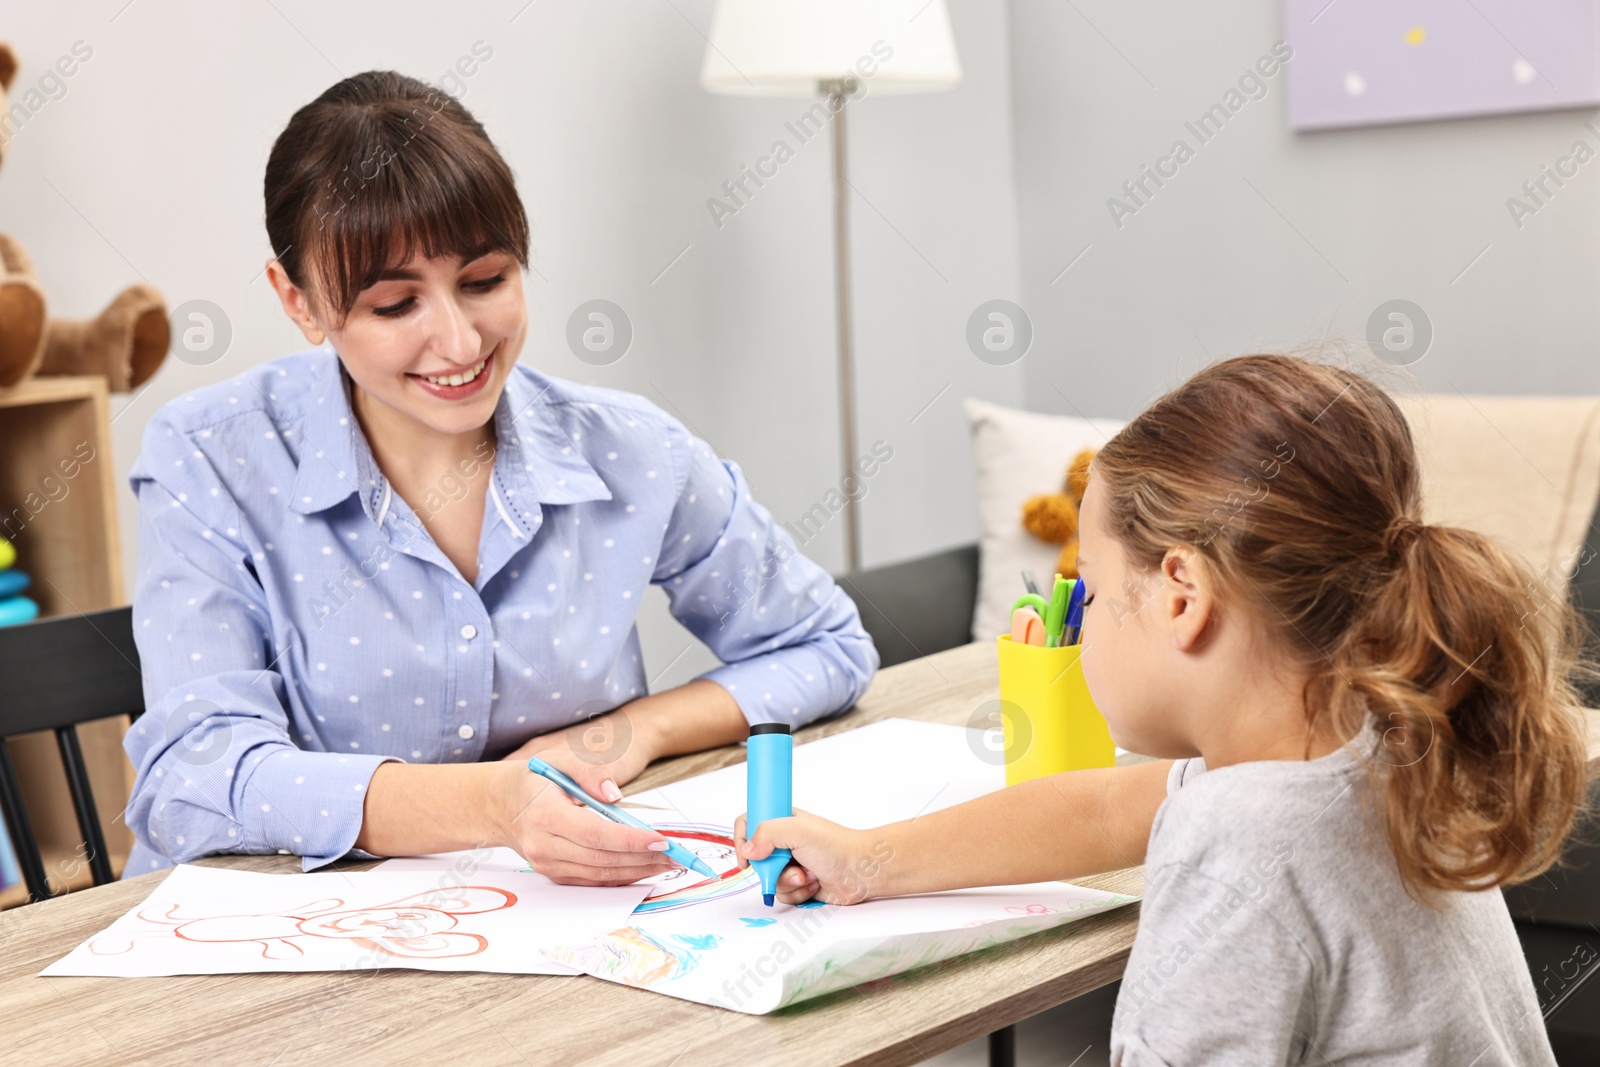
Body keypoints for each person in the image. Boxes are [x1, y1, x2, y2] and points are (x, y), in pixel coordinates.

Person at [122, 71, 877, 883]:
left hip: (550, 940)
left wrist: (634, 731)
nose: (458, 341)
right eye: (393, 306)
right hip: (260, 963)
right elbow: (192, 776)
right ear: (299, 301)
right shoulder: (211, 456)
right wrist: (491, 804)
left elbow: (824, 643)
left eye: (486, 281)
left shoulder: (628, 449)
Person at [736, 353, 1589, 1063]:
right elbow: (1104, 809)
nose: (1089, 622)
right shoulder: (1369, 740)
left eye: (1098, 594)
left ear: (1182, 593)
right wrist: (865, 859)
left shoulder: (1236, 852)